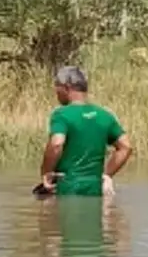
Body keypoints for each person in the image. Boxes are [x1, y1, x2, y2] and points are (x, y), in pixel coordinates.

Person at [39, 65, 133, 198]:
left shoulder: (62, 114)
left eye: (57, 87)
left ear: (66, 87)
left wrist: (46, 173)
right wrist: (106, 175)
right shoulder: (104, 115)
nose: (56, 92)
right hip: (95, 187)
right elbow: (126, 147)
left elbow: (56, 144)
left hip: (67, 186)